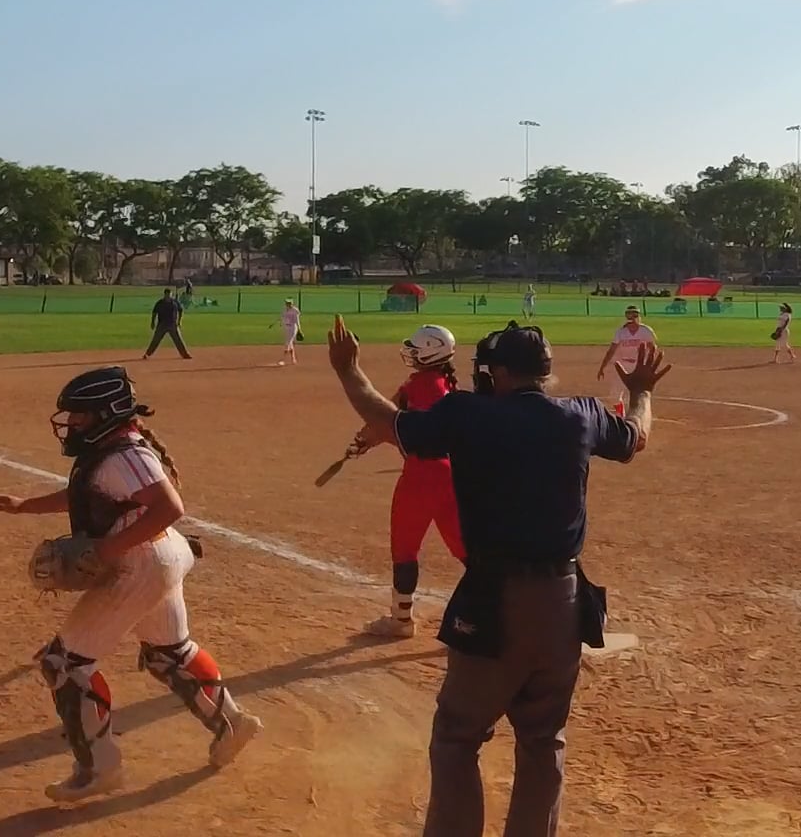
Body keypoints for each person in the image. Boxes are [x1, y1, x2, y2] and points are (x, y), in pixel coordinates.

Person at [327, 314, 667, 837]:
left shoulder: (467, 413)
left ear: (502, 372)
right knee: (544, 740)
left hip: (496, 601)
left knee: (458, 735)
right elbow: (636, 436)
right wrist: (641, 391)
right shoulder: (581, 414)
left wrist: (349, 371)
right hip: (564, 603)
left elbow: (389, 420)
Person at [0, 367, 261, 802]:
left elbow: (170, 507)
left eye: (80, 416)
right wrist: (24, 506)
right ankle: (233, 724)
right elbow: (88, 494)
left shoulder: (125, 455)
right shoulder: (111, 451)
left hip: (140, 564)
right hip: (159, 557)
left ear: (107, 413)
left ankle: (99, 768)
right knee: (170, 654)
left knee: (64, 664)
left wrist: (107, 550)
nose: (72, 424)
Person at [325, 324, 468, 639]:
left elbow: (387, 419)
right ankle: (493, 611)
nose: (411, 354)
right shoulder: (448, 384)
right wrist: (365, 441)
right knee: (466, 549)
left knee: (405, 547)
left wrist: (363, 440)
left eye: (416, 349)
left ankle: (401, 619)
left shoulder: (419, 385)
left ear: (430, 352)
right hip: (452, 476)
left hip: (420, 475)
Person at [595, 305, 656, 417]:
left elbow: (653, 348)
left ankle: (636, 416)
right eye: (629, 315)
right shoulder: (621, 332)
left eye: (634, 315)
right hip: (623, 365)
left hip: (639, 365)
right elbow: (611, 350)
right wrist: (602, 367)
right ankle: (621, 413)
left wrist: (649, 365)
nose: (632, 318)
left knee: (636, 395)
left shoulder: (646, 331)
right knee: (614, 396)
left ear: (638, 316)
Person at [145, 287, 191, 360]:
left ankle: (185, 354)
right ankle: (148, 354)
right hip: (162, 324)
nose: (168, 296)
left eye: (170, 294)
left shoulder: (175, 302)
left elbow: (180, 310)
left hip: (172, 324)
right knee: (156, 340)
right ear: (164, 294)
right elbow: (154, 312)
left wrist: (179, 321)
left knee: (178, 340)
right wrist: (152, 322)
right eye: (167, 295)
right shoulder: (160, 303)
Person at [277, 298, 302, 366]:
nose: (287, 304)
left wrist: (299, 329)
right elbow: (282, 317)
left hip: (293, 328)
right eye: (286, 303)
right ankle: (293, 359)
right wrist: (281, 322)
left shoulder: (295, 310)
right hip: (286, 327)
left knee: (288, 343)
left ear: (291, 303)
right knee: (290, 343)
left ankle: (283, 359)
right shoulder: (285, 310)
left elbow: (297, 320)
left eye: (288, 303)